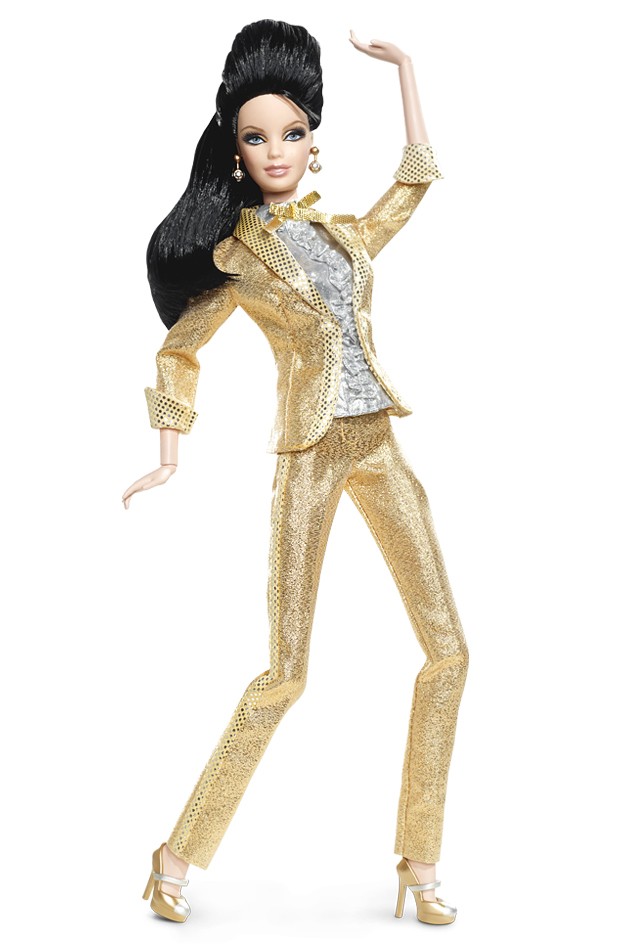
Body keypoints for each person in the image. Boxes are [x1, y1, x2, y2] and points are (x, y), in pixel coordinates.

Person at [123, 18, 469, 927]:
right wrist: (168, 449)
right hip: (309, 457)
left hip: (378, 445)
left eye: (293, 132)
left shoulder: (342, 235)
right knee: (284, 673)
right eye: (257, 136)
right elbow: (179, 350)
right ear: (236, 151)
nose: (277, 149)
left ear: (314, 141)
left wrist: (407, 69)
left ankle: (421, 858)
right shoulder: (237, 256)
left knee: (449, 650)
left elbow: (413, 185)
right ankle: (176, 853)